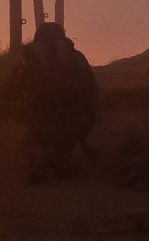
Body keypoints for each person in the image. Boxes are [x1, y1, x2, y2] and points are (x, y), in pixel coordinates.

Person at [11, 21, 98, 183]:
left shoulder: (29, 60)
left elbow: (11, 91)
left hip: (39, 122)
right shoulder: (75, 57)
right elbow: (93, 90)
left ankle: (38, 157)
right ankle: (62, 163)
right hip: (76, 122)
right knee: (69, 128)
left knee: (32, 129)